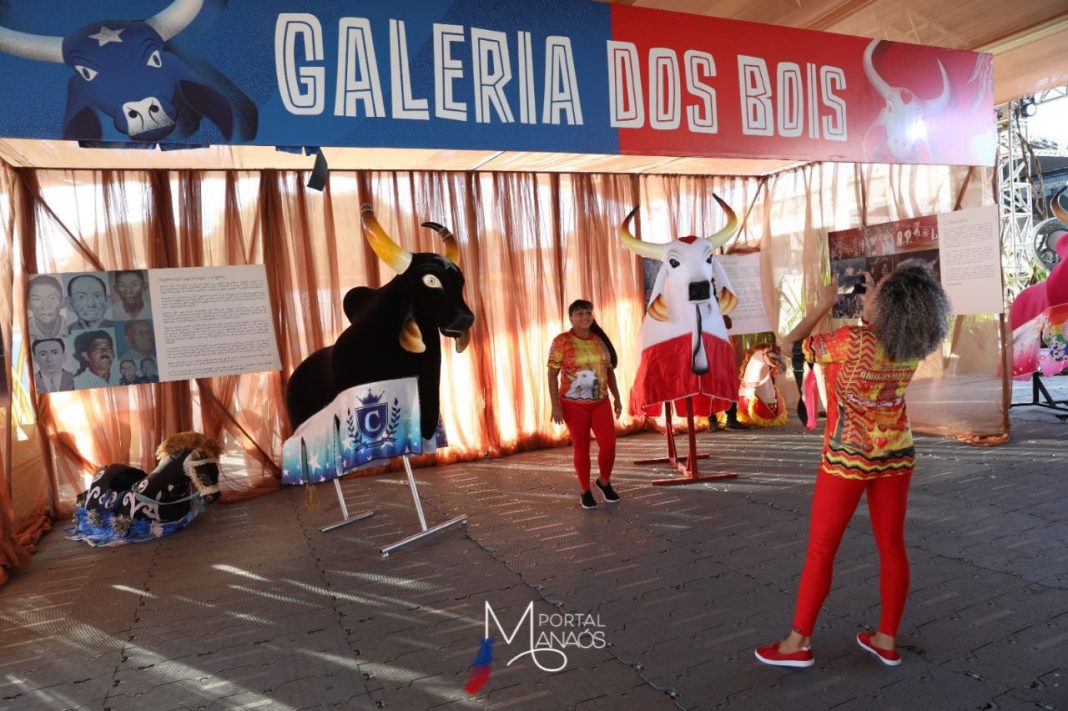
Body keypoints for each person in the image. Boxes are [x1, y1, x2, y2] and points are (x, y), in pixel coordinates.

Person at [755, 260, 950, 669]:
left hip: (848, 456)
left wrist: (822, 304)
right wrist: (877, 298)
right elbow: (883, 327)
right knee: (892, 547)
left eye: (881, 290)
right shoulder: (910, 343)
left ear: (889, 303)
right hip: (897, 453)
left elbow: (787, 345)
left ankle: (798, 642)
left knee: (822, 548)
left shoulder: (850, 341)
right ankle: (886, 639)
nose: (872, 290)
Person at [547, 299, 623, 509]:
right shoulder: (562, 341)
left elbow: (609, 371)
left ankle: (604, 482)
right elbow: (552, 375)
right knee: (581, 447)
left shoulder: (599, 341)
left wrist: (617, 397)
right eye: (579, 313)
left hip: (600, 402)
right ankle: (585, 490)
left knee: (608, 445)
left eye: (588, 313)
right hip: (572, 404)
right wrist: (555, 405)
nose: (584, 317)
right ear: (571, 318)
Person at [28, 275, 69, 339]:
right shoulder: (23, 331)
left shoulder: (72, 327)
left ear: (62, 302)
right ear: (28, 304)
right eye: (37, 299)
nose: (45, 307)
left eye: (52, 298)